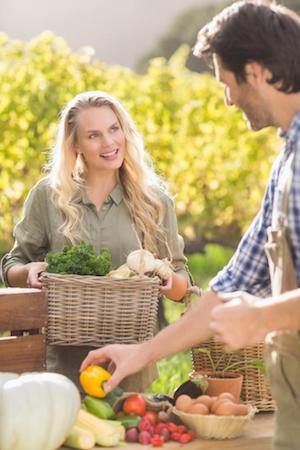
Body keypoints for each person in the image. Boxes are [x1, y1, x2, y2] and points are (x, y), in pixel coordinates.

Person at [80, 2, 300, 449]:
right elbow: (235, 280)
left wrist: (262, 317)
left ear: (255, 72)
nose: (227, 99)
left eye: (226, 83)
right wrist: (140, 355)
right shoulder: (287, 161)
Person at [0, 90, 192, 391]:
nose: (109, 143)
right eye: (94, 135)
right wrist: (27, 272)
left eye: (114, 129)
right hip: (61, 366)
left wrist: (170, 281)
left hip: (130, 364)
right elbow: (13, 266)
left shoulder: (154, 202)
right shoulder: (47, 196)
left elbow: (181, 282)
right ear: (75, 144)